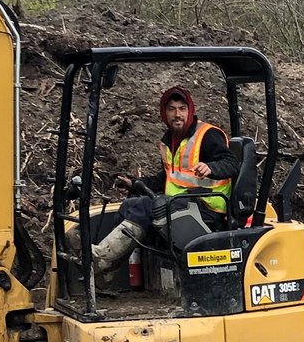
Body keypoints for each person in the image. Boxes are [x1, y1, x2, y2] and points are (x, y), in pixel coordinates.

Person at [93, 86, 240, 271]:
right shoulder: (169, 141)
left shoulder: (207, 135)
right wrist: (136, 185)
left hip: (207, 208)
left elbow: (232, 163)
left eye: (182, 109)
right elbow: (168, 176)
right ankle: (107, 271)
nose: (177, 114)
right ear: (164, 113)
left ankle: (103, 258)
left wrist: (211, 167)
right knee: (130, 205)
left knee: (145, 206)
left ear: (190, 110)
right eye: (171, 109)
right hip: (181, 204)